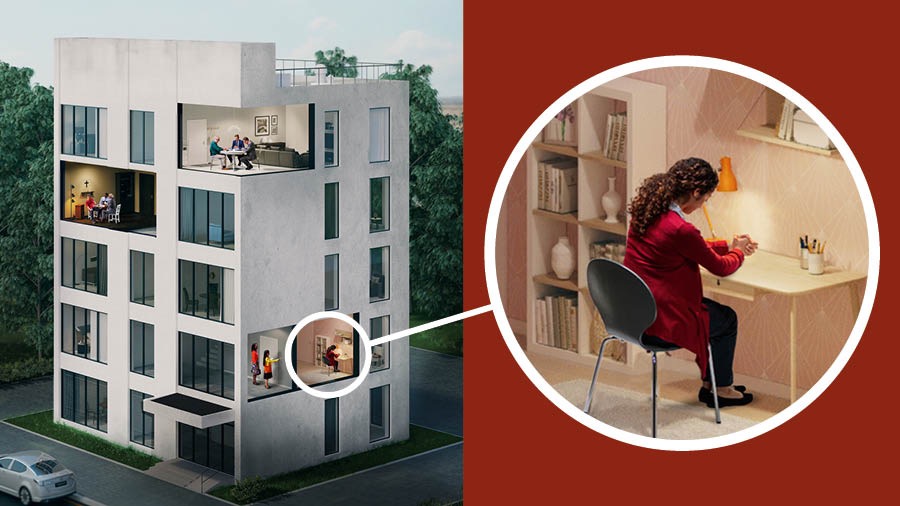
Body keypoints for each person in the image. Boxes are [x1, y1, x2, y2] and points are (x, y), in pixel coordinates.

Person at [623, 157, 758, 408]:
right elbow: (720, 267)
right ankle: (721, 388)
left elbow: (688, 247)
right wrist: (738, 253)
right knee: (726, 319)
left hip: (631, 314)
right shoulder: (680, 229)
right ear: (696, 193)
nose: (702, 205)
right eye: (704, 200)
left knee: (713, 315)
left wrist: (727, 245)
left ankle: (712, 385)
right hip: (660, 322)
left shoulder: (648, 211)